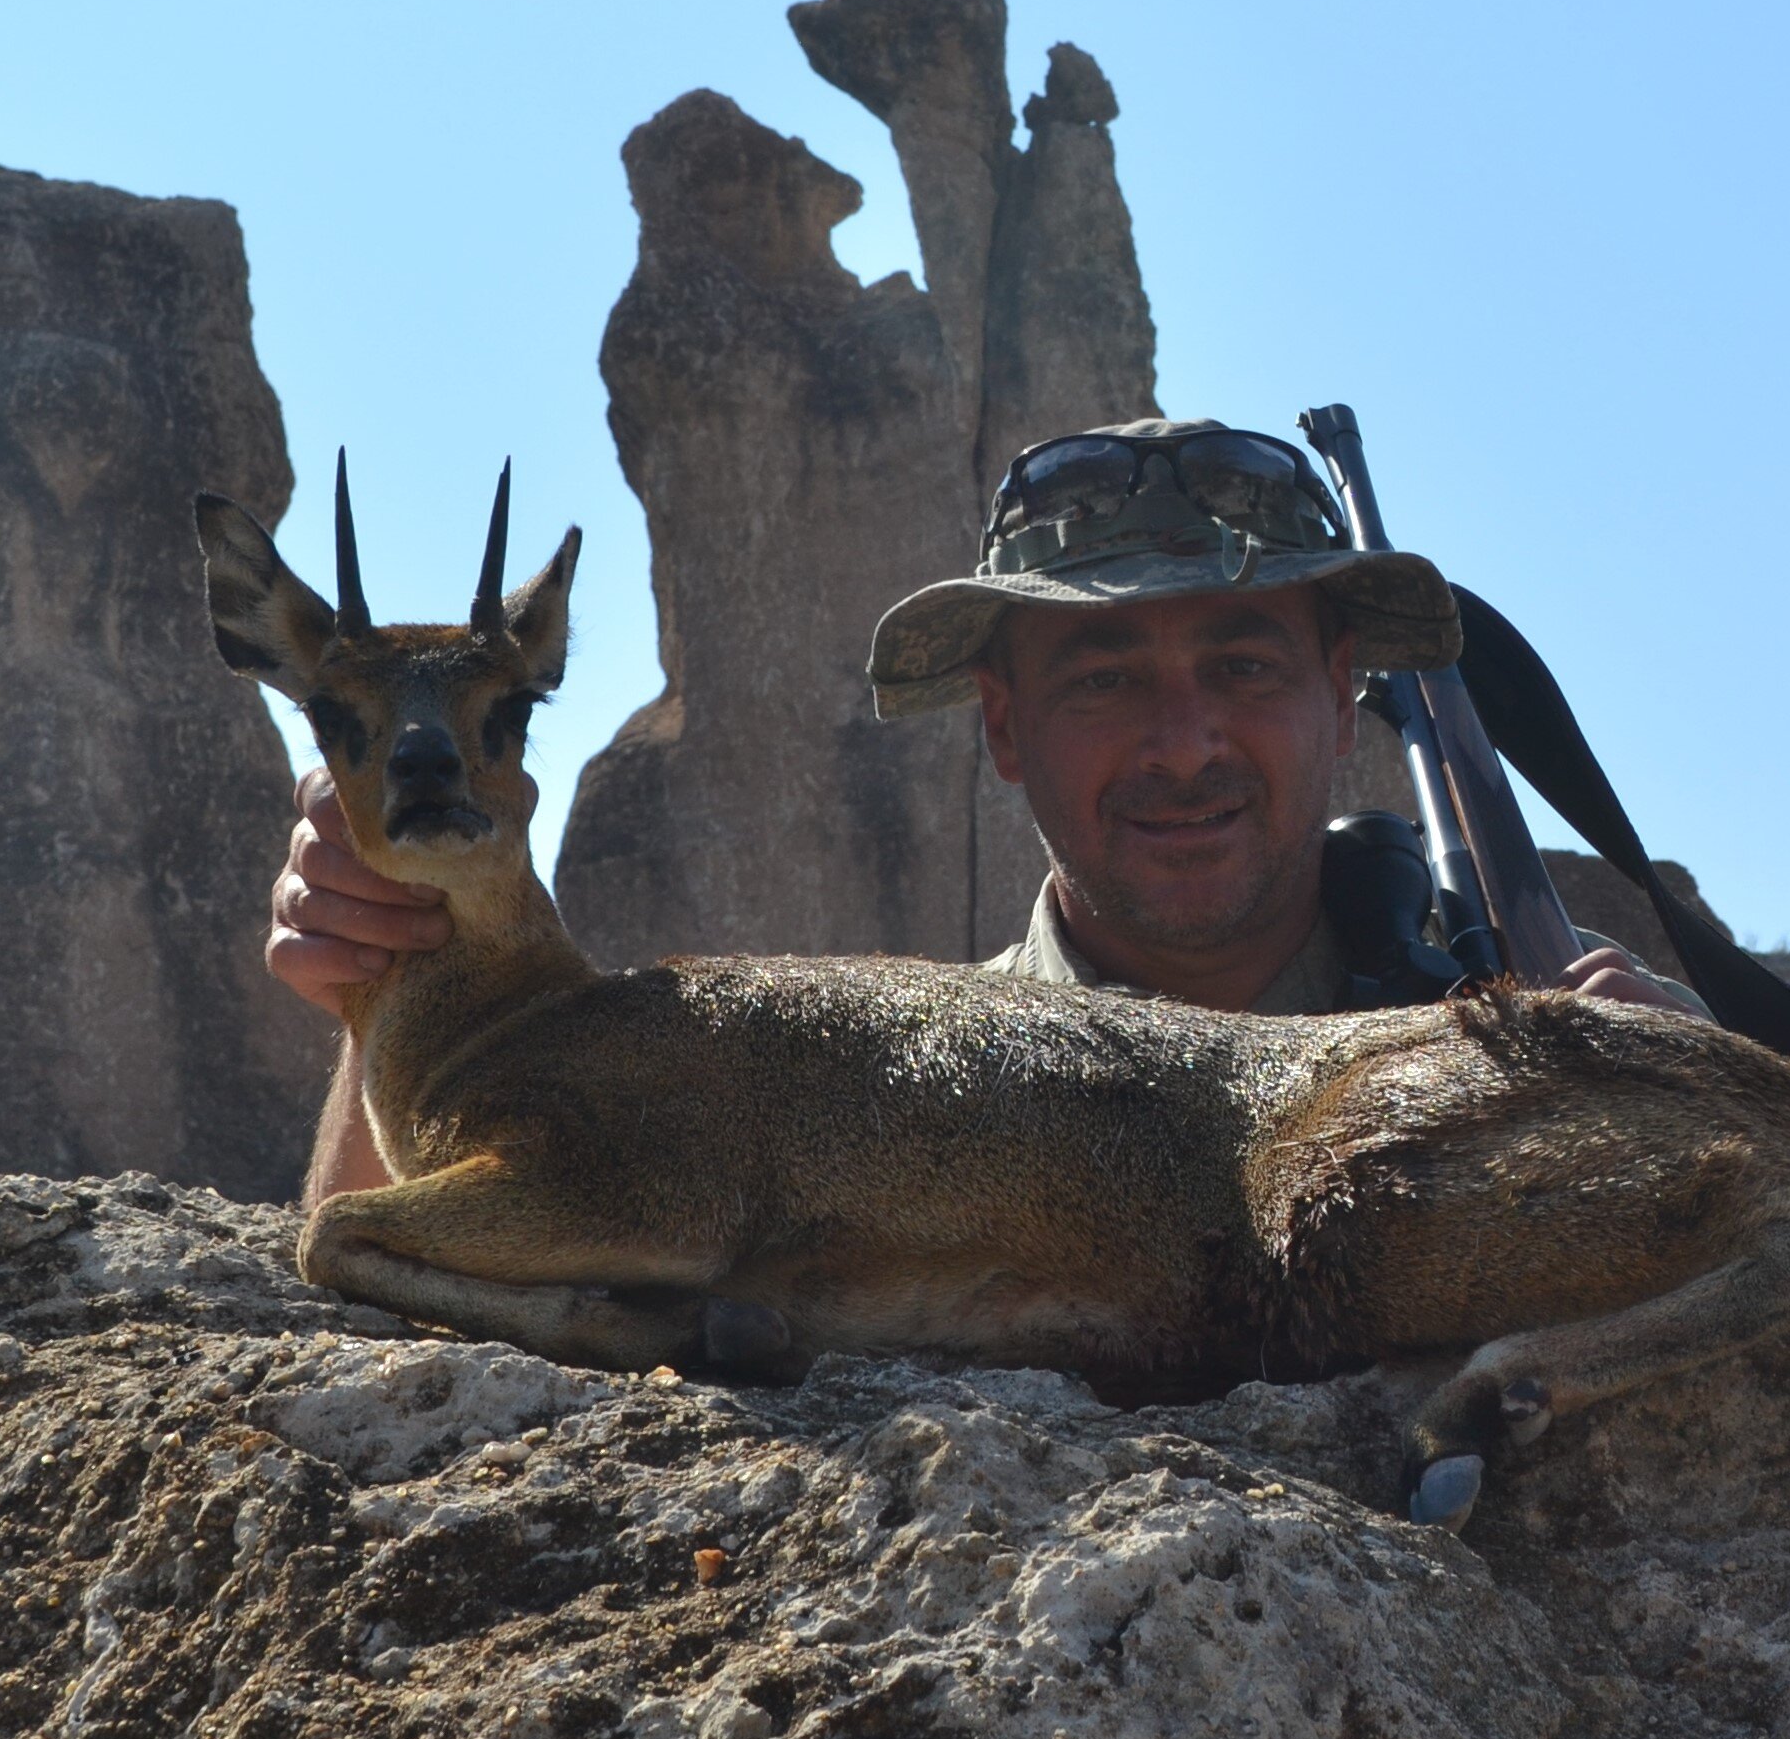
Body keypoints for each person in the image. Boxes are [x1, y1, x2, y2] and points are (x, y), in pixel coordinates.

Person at [267, 418, 1702, 1200]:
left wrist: (1692, 1127)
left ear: (1345, 695)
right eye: (1105, 675)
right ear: (1002, 726)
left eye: (1244, 664)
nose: (1184, 740)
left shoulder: (1528, 1023)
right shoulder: (897, 1101)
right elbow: (432, 1317)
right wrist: (396, 966)